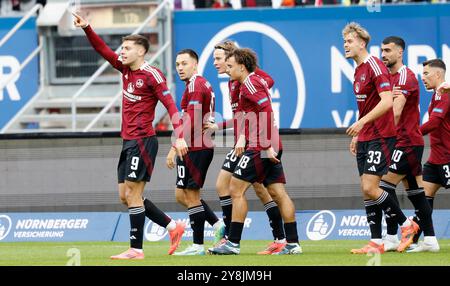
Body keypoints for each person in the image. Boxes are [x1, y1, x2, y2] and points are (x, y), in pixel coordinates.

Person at [73, 12, 188, 259]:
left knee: (134, 194)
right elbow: (103, 50)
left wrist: (179, 136)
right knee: (125, 196)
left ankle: (136, 250)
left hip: (143, 141)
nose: (121, 51)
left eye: (126, 48)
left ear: (141, 52)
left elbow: (171, 107)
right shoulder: (124, 68)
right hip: (128, 141)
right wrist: (88, 28)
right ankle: (172, 226)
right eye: (121, 48)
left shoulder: (153, 75)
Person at [209, 48, 302, 255]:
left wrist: (267, 146)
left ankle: (232, 243)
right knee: (278, 193)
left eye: (230, 65)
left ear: (242, 66)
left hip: (261, 145)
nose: (227, 69)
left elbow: (267, 112)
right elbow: (245, 117)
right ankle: (292, 243)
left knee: (235, 189)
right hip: (265, 143)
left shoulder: (250, 84)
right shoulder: (244, 85)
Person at [342, 22, 419, 254]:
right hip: (366, 135)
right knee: (366, 189)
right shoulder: (357, 70)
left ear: (362, 43)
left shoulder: (374, 65)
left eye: (349, 41)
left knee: (370, 186)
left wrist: (362, 123)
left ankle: (408, 225)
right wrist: (359, 133)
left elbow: (387, 102)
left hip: (382, 135)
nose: (345, 45)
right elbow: (368, 106)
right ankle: (376, 242)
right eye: (344, 41)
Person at [378, 36, 436, 252]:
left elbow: (395, 112)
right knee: (416, 193)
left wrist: (380, 137)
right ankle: (430, 240)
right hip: (406, 141)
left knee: (381, 186)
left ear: (400, 52)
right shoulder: (388, 78)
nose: (384, 54)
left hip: (406, 142)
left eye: (388, 50)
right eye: (382, 50)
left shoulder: (404, 76)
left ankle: (401, 229)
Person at [166, 49, 223, 255]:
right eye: (178, 64)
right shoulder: (194, 85)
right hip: (193, 144)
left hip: (196, 146)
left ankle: (198, 245)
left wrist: (174, 146)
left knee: (190, 195)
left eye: (184, 63)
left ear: (195, 65)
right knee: (181, 194)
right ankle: (217, 226)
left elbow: (192, 120)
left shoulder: (197, 85)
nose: (180, 68)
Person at [410, 58, 450, 252]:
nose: (422, 78)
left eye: (426, 74)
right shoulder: (437, 94)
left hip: (449, 158)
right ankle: (425, 241)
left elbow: (434, 123)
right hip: (436, 159)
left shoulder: (446, 93)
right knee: (423, 199)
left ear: (438, 74)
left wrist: (412, 134)